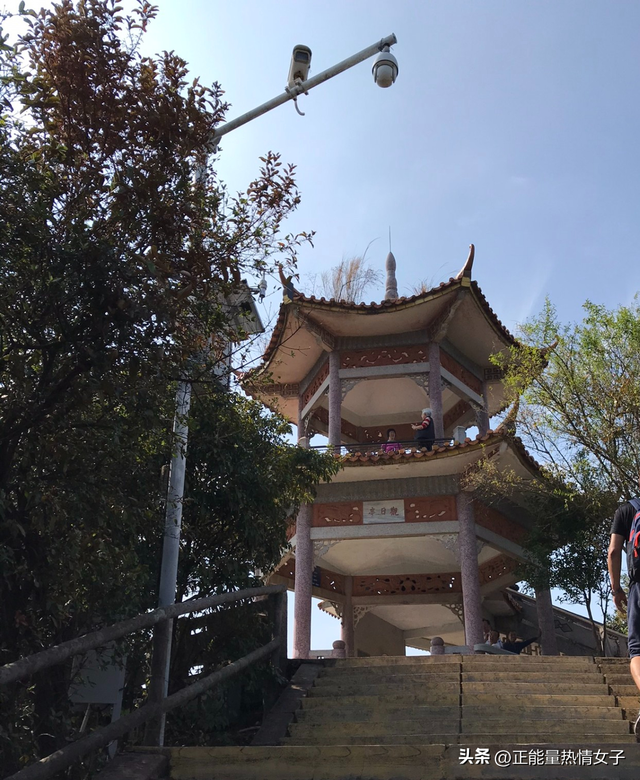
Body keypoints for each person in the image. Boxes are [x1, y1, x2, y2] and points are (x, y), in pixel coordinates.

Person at [608, 474, 640, 737]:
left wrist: (617, 588)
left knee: (637, 650)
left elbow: (613, 551)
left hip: (639, 587)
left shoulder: (627, 509)